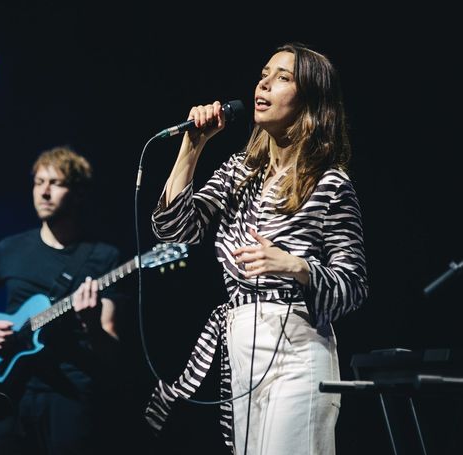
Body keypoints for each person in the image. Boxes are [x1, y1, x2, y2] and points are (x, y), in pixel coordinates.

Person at [144, 42, 368, 454]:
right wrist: (192, 147)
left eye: (283, 77)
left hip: (298, 347)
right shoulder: (238, 173)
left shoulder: (330, 183)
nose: (264, 83)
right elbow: (174, 231)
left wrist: (295, 265)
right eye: (264, 74)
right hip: (241, 344)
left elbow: (352, 286)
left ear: (311, 100)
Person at [0, 145, 125, 455]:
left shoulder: (103, 257)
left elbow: (111, 348)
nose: (44, 192)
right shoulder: (10, 249)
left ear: (78, 194)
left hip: (70, 396)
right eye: (39, 182)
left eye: (56, 183)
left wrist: (91, 325)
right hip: (7, 394)